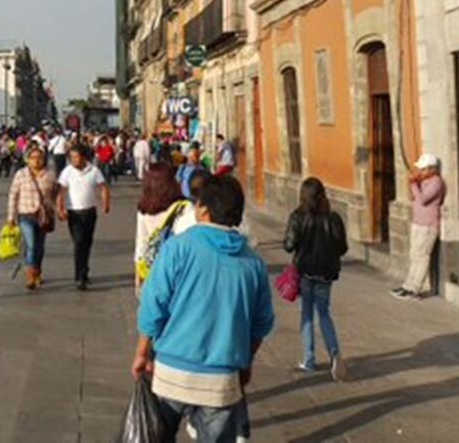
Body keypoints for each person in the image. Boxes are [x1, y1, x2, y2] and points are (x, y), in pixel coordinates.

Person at [132, 177, 274, 442]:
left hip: (171, 371)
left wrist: (142, 352)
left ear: (203, 209)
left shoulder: (178, 247)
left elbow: (153, 306)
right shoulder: (253, 264)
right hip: (220, 380)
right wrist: (245, 362)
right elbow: (262, 323)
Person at [284, 177, 348, 381]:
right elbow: (342, 247)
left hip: (305, 271)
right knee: (324, 313)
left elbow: (289, 244)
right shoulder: (333, 217)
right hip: (326, 273)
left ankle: (309, 359)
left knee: (307, 315)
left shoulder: (298, 216)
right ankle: (334, 352)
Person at [134, 163, 199, 293]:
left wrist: (138, 275)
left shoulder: (144, 210)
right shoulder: (184, 208)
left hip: (153, 269)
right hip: (178, 269)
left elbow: (141, 242)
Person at [56, 144, 111, 291]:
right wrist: (60, 208)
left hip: (90, 211)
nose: (74, 160)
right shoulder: (67, 172)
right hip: (73, 212)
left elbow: (103, 187)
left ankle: (84, 270)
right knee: (79, 243)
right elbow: (61, 191)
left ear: (84, 157)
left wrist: (105, 203)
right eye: (71, 157)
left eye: (76, 157)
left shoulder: (94, 170)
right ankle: (79, 277)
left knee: (86, 243)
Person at [394, 154, 446, 300]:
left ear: (432, 169)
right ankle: (408, 285)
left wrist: (414, 184)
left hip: (428, 225)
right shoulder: (423, 182)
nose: (420, 172)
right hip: (417, 222)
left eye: (423, 169)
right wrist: (411, 184)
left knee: (422, 256)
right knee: (414, 254)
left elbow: (423, 199)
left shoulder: (437, 182)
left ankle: (416, 287)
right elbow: (412, 197)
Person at [6, 146, 58, 290]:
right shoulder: (21, 174)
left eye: (39, 158)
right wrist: (11, 216)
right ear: (28, 160)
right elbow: (13, 195)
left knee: (40, 247)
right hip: (25, 215)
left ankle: (37, 270)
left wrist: (58, 209)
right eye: (33, 158)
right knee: (31, 245)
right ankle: (30, 276)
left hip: (43, 217)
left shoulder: (50, 175)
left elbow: (56, 194)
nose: (36, 161)